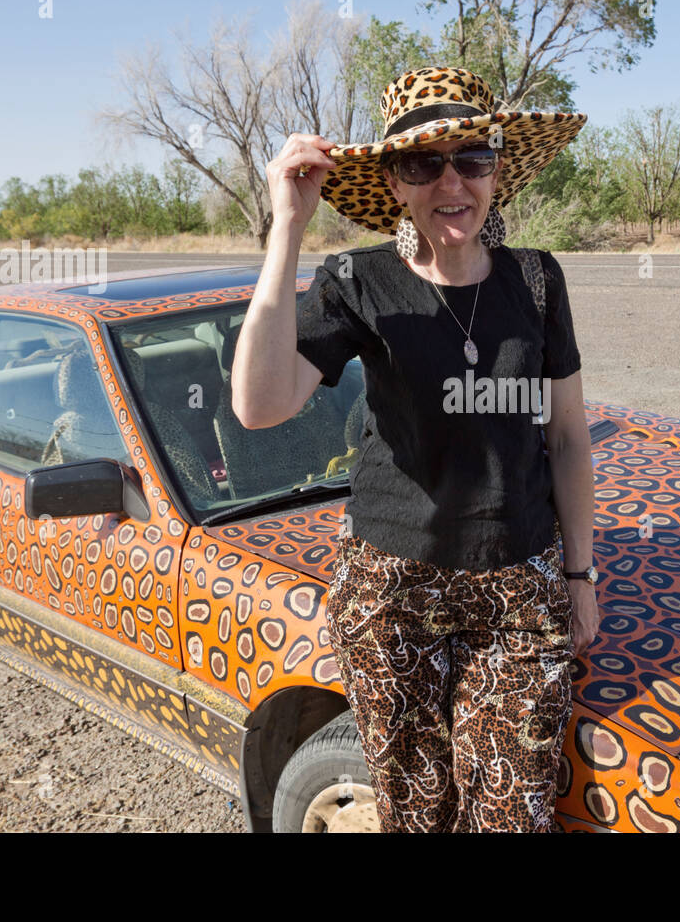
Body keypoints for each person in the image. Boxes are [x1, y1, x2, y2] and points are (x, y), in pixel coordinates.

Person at [232, 66, 596, 832]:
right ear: (394, 182)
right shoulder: (357, 284)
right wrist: (288, 228)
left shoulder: (536, 282)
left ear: (498, 168)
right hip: (392, 592)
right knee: (416, 813)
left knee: (511, 815)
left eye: (472, 159)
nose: (451, 182)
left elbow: (565, 436)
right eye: (423, 164)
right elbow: (258, 405)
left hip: (519, 589)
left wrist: (581, 575)